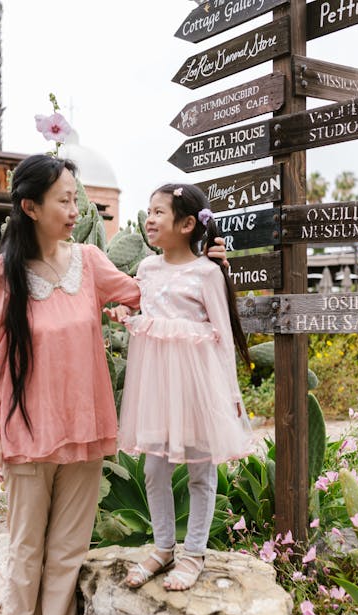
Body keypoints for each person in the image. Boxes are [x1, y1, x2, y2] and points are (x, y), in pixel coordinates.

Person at [0, 155, 229, 615]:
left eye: (77, 198)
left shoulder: (91, 261)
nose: (76, 209)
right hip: (25, 429)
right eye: (64, 199)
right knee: (25, 553)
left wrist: (202, 265)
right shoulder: (1, 273)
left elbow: (150, 294)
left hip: (85, 428)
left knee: (66, 554)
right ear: (30, 207)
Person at [111, 183, 253, 591]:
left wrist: (230, 394)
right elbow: (143, 306)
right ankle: (163, 547)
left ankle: (193, 553)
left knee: (200, 472)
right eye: (148, 211)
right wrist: (126, 309)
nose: (150, 219)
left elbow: (224, 335)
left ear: (188, 224)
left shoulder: (207, 273)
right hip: (156, 387)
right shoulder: (147, 268)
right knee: (155, 469)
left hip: (198, 385)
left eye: (159, 212)